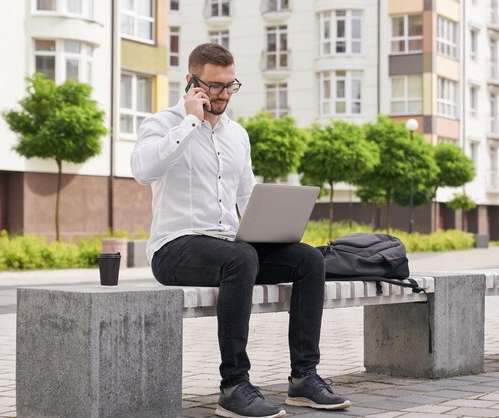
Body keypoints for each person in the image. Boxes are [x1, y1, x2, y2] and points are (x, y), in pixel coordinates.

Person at [130, 43, 351, 418]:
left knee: (309, 260)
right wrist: (190, 121)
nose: (222, 95)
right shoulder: (162, 124)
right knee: (241, 257)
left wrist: (276, 228)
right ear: (191, 82)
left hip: (232, 251)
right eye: (214, 86)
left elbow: (247, 197)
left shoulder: (237, 135)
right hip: (175, 249)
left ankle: (304, 378)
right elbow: (143, 171)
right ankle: (234, 385)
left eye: (230, 86)